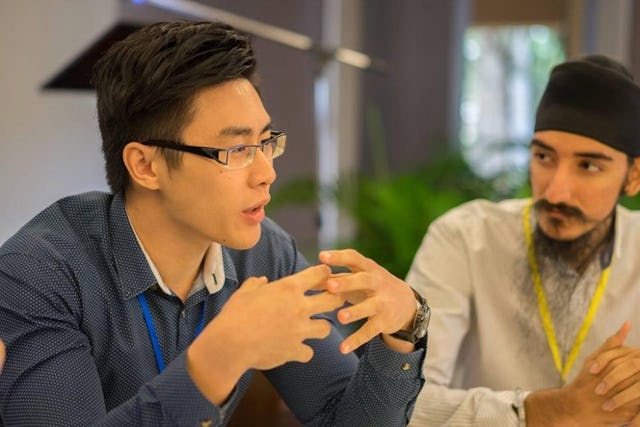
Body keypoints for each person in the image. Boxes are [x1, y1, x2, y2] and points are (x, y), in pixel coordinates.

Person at [0, 21, 429, 426]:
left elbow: (344, 418)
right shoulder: (36, 275)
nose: (266, 172)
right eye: (237, 149)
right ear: (145, 165)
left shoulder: (263, 254)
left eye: (266, 142)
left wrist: (404, 329)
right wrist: (217, 360)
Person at [407, 54, 640, 426]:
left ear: (634, 177)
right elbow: (403, 401)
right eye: (544, 157)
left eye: (589, 166)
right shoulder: (465, 239)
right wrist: (551, 410)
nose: (557, 191)